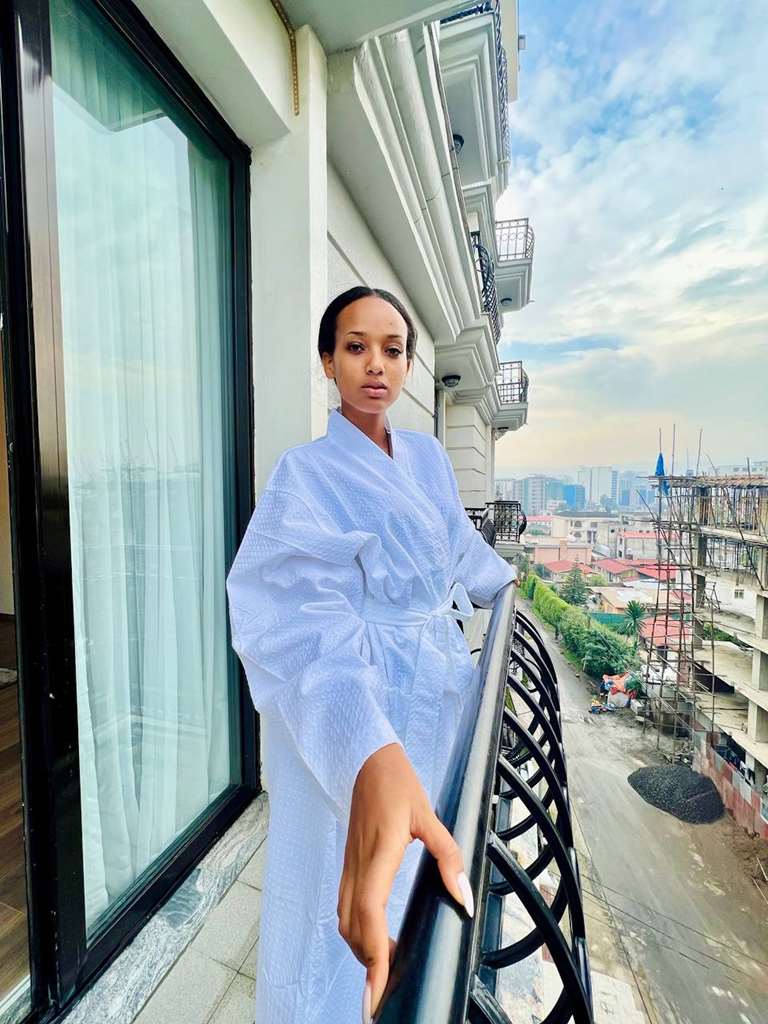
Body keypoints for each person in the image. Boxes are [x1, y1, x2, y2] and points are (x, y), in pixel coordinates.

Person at [225, 286, 516, 1023]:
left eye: (393, 349)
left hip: (434, 682)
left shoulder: (427, 457)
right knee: (335, 868)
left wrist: (507, 588)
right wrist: (361, 740)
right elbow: (297, 619)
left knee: (413, 859)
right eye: (356, 347)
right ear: (328, 361)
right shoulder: (304, 475)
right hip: (352, 694)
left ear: (410, 364)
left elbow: (458, 546)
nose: (375, 365)